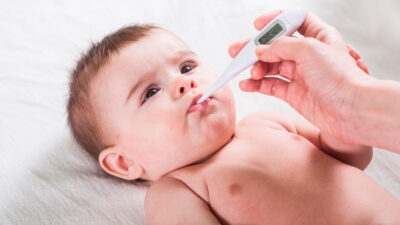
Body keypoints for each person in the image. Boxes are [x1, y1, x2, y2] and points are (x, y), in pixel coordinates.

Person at [67, 24, 400, 224]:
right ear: (124, 161)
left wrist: (342, 118)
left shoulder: (267, 122)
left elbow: (350, 161)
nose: (185, 84)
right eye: (150, 92)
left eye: (186, 67)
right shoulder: (178, 189)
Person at [229, 10, 400, 153]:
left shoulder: (264, 124)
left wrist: (349, 99)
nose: (199, 84)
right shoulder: (201, 186)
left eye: (199, 66)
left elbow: (346, 161)